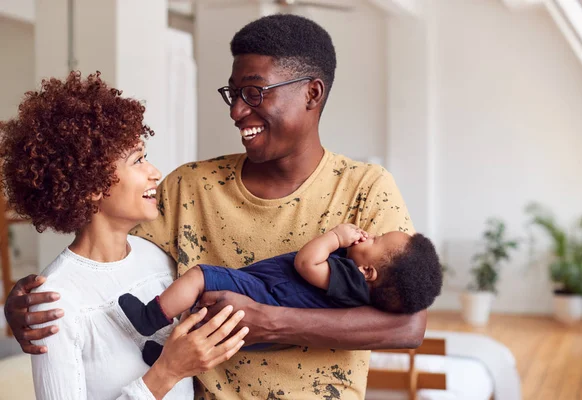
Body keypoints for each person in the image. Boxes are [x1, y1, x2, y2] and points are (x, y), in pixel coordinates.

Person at [5, 14, 427, 399]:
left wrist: (271, 321)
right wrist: (30, 298)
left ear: (311, 93)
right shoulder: (189, 186)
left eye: (254, 92)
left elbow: (408, 326)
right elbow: (104, 261)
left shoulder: (366, 189)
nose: (237, 111)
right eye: (233, 93)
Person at [0, 71, 248, 399]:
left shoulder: (157, 257)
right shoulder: (54, 304)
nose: (155, 172)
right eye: (138, 160)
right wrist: (168, 371)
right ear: (91, 186)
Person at [119, 223, 441, 350]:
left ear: (368, 272)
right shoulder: (366, 292)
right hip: (266, 311)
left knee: (200, 277)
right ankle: (162, 355)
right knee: (208, 332)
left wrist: (336, 238)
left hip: (266, 295)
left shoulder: (349, 278)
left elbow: (307, 263)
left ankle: (152, 316)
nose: (369, 233)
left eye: (377, 239)